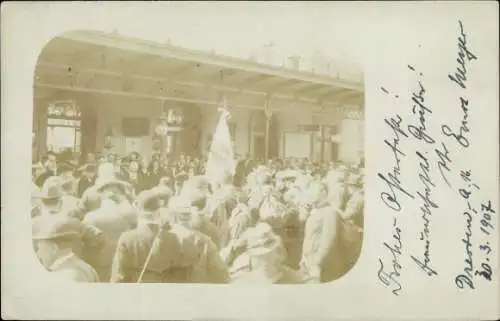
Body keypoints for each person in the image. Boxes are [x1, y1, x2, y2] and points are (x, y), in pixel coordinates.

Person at [229, 222, 310, 284]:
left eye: (267, 256)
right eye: (260, 257)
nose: (265, 262)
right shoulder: (243, 282)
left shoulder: (293, 278)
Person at [32, 214, 99, 282]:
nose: (38, 254)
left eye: (39, 248)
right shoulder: (80, 268)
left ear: (54, 247)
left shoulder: (66, 274)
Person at [300, 181, 343, 283]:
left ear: (323, 192)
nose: (309, 193)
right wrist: (304, 257)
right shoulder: (315, 210)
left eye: (313, 190)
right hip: (308, 259)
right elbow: (309, 236)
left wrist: (316, 263)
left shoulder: (330, 212)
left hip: (320, 265)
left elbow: (328, 240)